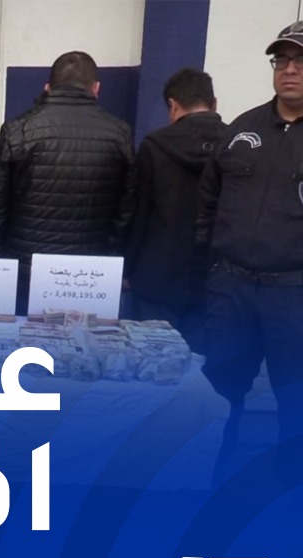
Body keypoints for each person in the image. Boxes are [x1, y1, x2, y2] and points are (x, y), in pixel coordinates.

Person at [198, 21, 303, 479]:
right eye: (282, 60)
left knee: (296, 401)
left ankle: (288, 496)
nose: (290, 70)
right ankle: (205, 481)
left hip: (294, 296)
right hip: (232, 290)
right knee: (217, 395)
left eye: (301, 61)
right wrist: (214, 269)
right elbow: (207, 202)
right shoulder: (243, 128)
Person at [0, 51, 135, 315]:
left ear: (48, 88)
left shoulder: (18, 130)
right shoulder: (119, 133)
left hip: (26, 270)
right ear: (96, 88)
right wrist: (113, 258)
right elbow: (127, 209)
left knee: (26, 338)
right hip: (90, 275)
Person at [125, 68, 225, 353]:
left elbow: (138, 214)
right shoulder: (235, 143)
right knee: (201, 367)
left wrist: (128, 267)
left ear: (173, 105)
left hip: (156, 276)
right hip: (212, 277)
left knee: (150, 362)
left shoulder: (154, 146)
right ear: (214, 103)